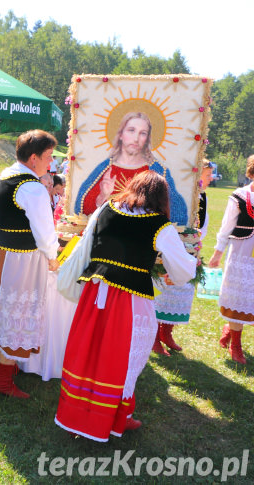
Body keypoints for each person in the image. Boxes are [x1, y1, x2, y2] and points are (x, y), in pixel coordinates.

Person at [55, 171, 195, 442]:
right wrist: (171, 273)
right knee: (123, 358)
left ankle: (79, 413)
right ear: (162, 198)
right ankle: (117, 417)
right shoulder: (159, 225)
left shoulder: (106, 208)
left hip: (94, 294)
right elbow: (182, 270)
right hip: (128, 301)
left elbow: (85, 246)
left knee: (88, 350)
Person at [0, 130, 60, 398]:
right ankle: (3, 380)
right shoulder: (32, 188)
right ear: (33, 158)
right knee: (16, 313)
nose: (50, 163)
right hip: (18, 259)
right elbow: (44, 233)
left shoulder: (6, 174)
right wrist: (53, 257)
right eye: (49, 156)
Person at [73, 112, 188, 226]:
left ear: (147, 139)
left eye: (143, 133)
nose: (136, 138)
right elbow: (81, 210)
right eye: (131, 130)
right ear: (121, 134)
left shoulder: (158, 171)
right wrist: (103, 196)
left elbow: (177, 212)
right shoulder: (104, 169)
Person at [153, 161, 213, 355]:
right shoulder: (176, 193)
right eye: (208, 174)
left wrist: (194, 241)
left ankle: (167, 332)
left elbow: (202, 223)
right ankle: (154, 336)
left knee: (183, 289)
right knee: (162, 288)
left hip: (190, 245)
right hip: (171, 244)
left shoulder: (201, 196)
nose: (211, 178)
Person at [208, 154, 254, 364]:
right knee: (238, 298)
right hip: (241, 254)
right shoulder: (240, 195)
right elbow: (226, 226)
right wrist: (217, 253)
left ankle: (230, 329)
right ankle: (236, 345)